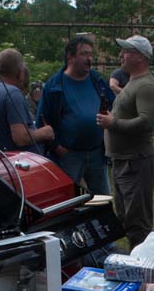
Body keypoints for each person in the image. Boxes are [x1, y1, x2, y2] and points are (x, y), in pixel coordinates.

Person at [97, 35, 154, 248]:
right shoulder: (134, 83)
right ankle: (136, 259)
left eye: (126, 51)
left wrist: (112, 123)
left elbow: (147, 123)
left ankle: (142, 263)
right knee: (126, 218)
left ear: (140, 56)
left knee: (138, 223)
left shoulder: (146, 86)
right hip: (125, 161)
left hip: (136, 162)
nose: (120, 55)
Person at [37, 36, 116, 195]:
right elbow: (42, 121)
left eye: (91, 54)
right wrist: (56, 147)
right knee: (69, 199)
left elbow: (113, 105)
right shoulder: (54, 86)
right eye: (84, 54)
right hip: (69, 155)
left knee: (103, 199)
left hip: (96, 153)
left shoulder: (97, 80)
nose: (89, 59)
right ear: (70, 57)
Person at [0, 48, 54, 154]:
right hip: (14, 163)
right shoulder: (13, 93)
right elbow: (20, 138)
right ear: (20, 73)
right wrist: (45, 132)